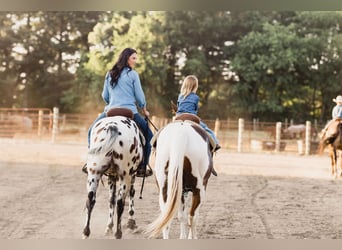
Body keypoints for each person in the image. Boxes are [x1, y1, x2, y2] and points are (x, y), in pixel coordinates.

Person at [83, 48, 153, 178]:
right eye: (134, 58)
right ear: (127, 58)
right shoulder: (133, 75)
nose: (135, 61)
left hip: (111, 111)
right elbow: (139, 96)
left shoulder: (110, 74)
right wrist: (144, 109)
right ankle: (143, 166)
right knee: (149, 136)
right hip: (130, 111)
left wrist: (113, 102)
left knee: (91, 131)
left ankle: (90, 162)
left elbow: (105, 96)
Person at [176, 75, 221, 175]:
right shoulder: (195, 97)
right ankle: (215, 143)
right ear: (194, 86)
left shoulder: (180, 96)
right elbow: (195, 110)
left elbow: (178, 108)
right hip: (191, 117)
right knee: (207, 130)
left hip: (179, 117)